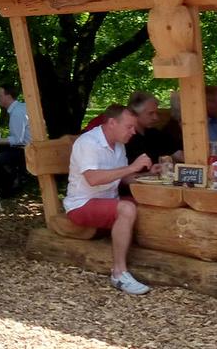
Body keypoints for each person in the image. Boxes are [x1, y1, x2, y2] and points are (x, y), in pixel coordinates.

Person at [64, 105, 158, 295]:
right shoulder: (88, 143)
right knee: (127, 209)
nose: (133, 132)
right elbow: (94, 178)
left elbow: (122, 178)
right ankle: (118, 273)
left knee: (147, 205)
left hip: (108, 199)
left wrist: (150, 175)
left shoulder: (119, 144)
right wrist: (133, 167)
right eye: (129, 127)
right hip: (81, 204)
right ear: (112, 123)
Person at [0, 83, 30, 198]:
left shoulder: (17, 112)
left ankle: (10, 184)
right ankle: (11, 179)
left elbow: (18, 140)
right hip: (21, 147)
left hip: (24, 150)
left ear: (8, 96)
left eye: (0, 95)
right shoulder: (19, 108)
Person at [121, 92, 183, 163]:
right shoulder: (126, 138)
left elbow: (177, 153)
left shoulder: (154, 134)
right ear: (135, 113)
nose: (156, 118)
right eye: (151, 113)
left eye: (156, 113)